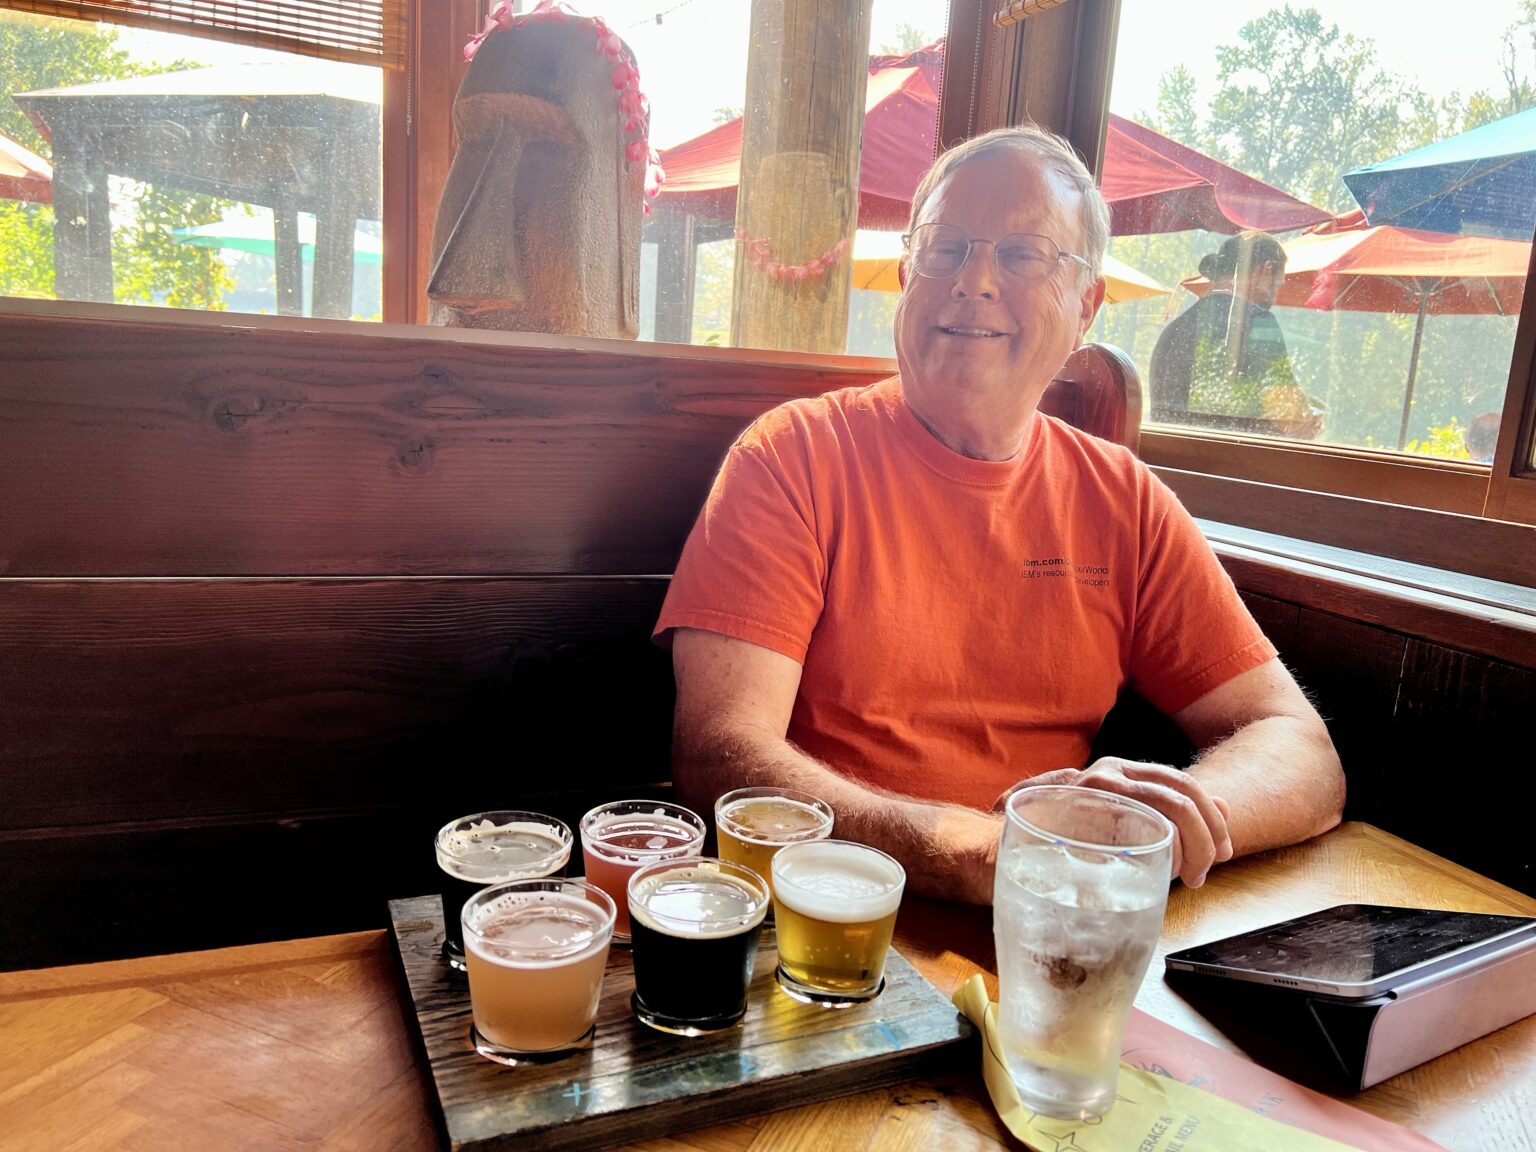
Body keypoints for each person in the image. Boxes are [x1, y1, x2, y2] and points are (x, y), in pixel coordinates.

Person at [653, 125, 1344, 905]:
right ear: (909, 275)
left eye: (1022, 255)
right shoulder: (792, 456)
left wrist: (1170, 819)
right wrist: (968, 850)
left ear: (1085, 307)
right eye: (945, 248)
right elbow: (718, 755)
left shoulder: (1125, 499)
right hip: (828, 916)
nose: (972, 280)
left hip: (1060, 918)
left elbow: (1302, 751)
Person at [1149, 232, 1321, 439]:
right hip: (1233, 456)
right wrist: (1307, 421)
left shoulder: (1173, 330)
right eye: (1277, 285)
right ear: (1265, 270)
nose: (1275, 297)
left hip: (1170, 456)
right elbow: (1287, 415)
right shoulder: (1258, 321)